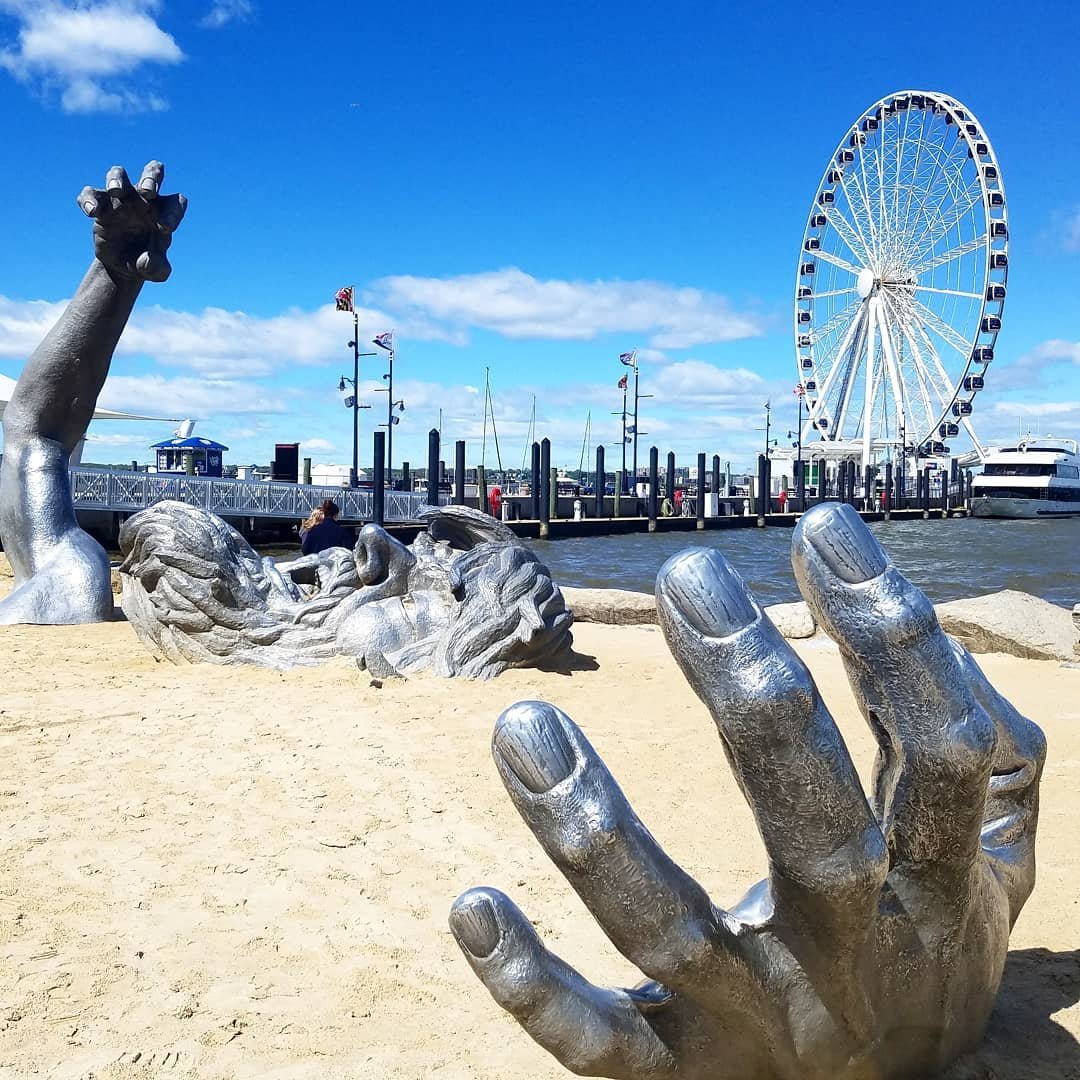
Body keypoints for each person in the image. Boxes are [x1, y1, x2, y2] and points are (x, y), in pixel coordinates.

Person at [0, 161, 187, 624]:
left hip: (66, 569)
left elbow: (31, 426)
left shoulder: (76, 571)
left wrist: (115, 278)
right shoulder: (74, 566)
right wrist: (115, 277)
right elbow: (31, 426)